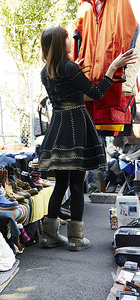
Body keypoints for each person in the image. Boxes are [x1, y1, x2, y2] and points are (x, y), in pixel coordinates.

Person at [38, 27, 137, 251]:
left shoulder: (45, 72)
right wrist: (112, 68)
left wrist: (77, 73)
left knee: (61, 184)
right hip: (76, 125)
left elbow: (67, 87)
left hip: (57, 127)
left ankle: (49, 236)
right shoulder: (70, 68)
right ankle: (75, 239)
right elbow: (96, 93)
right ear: (60, 43)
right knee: (77, 183)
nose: (71, 40)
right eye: (67, 38)